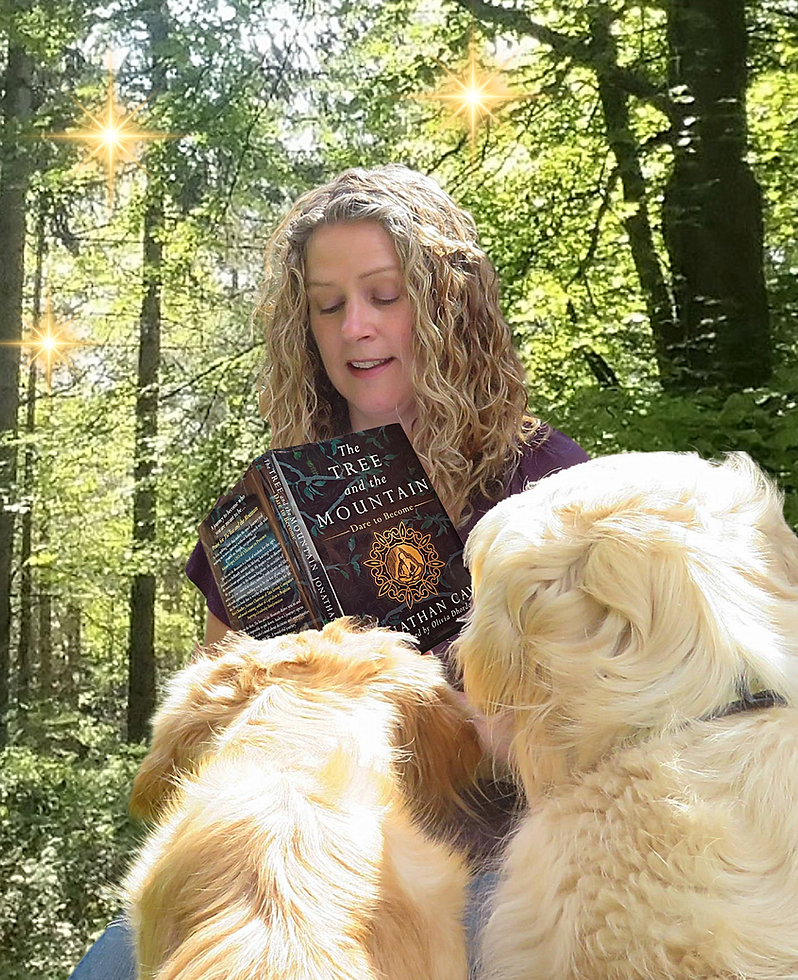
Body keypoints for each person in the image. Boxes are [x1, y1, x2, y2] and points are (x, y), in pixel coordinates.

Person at [69, 163, 589, 979]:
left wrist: (465, 723)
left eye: (386, 295)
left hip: (496, 854)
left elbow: (608, 711)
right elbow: (213, 711)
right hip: (298, 847)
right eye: (329, 305)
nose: (356, 327)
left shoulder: (545, 479)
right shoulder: (268, 507)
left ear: (448, 302)